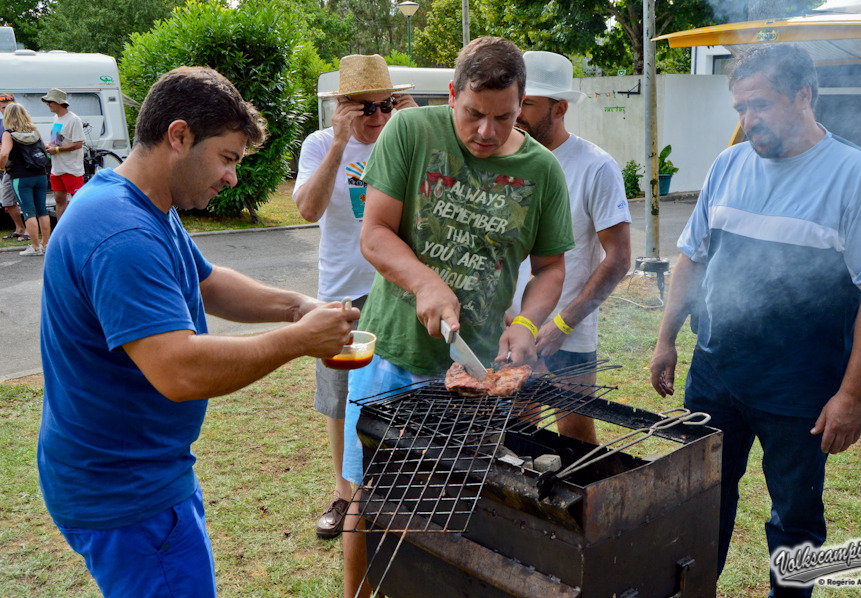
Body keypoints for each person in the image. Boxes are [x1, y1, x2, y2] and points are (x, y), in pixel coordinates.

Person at [38, 66, 360, 598]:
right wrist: (298, 341)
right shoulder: (122, 234)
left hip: (140, 473)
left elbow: (208, 282)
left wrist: (298, 307)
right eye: (228, 158)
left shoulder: (141, 204)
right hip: (127, 492)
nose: (232, 176)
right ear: (179, 136)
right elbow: (178, 369)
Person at [649, 44, 861, 598]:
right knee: (702, 499)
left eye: (759, 105)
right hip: (716, 371)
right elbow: (692, 254)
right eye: (740, 107)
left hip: (800, 385)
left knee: (796, 515)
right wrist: (667, 339)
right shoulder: (729, 164)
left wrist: (853, 396)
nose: (748, 120)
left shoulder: (855, 176)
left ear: (804, 96)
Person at [342, 36, 575, 597]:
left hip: (473, 379)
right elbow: (374, 234)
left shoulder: (542, 171)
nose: (487, 131)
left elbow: (550, 270)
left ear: (522, 105)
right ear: (452, 95)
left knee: (455, 501)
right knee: (366, 496)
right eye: (474, 113)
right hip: (392, 355)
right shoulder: (410, 131)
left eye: (504, 116)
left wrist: (525, 324)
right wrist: (424, 280)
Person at [292, 53, 417, 539]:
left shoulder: (403, 139)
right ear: (342, 107)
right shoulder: (321, 143)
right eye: (367, 109)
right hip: (343, 291)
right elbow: (306, 208)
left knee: (404, 391)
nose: (379, 118)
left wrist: (409, 128)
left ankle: (391, 491)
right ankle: (345, 497)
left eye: (387, 105)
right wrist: (339, 142)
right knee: (340, 398)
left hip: (396, 285)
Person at [511, 51, 632, 443]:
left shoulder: (596, 167)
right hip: (509, 328)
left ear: (559, 108)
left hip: (567, 328)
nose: (516, 111)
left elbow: (618, 258)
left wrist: (564, 322)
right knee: (519, 429)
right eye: (517, 98)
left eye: (527, 103)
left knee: (574, 433)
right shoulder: (502, 157)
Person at [0, 103, 50, 255]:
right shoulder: (34, 130)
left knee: (28, 211)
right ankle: (46, 244)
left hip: (21, 177)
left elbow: (4, 154)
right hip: (40, 174)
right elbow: (43, 148)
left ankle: (35, 247)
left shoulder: (9, 133)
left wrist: (2, 167)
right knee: (42, 210)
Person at [42, 88, 85, 219]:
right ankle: (61, 231)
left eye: (50, 101)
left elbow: (78, 144)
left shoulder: (74, 120)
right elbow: (57, 141)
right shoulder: (56, 118)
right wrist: (49, 145)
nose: (48, 104)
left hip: (71, 169)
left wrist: (56, 150)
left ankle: (78, 228)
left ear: (60, 102)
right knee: (59, 200)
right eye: (47, 101)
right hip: (57, 168)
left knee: (76, 202)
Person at [0, 93, 28, 241]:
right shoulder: (1, 124)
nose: (6, 110)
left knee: (25, 200)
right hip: (8, 168)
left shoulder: (23, 123)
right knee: (6, 199)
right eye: (3, 107)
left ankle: (29, 230)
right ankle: (19, 228)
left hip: (22, 168)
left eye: (9, 106)